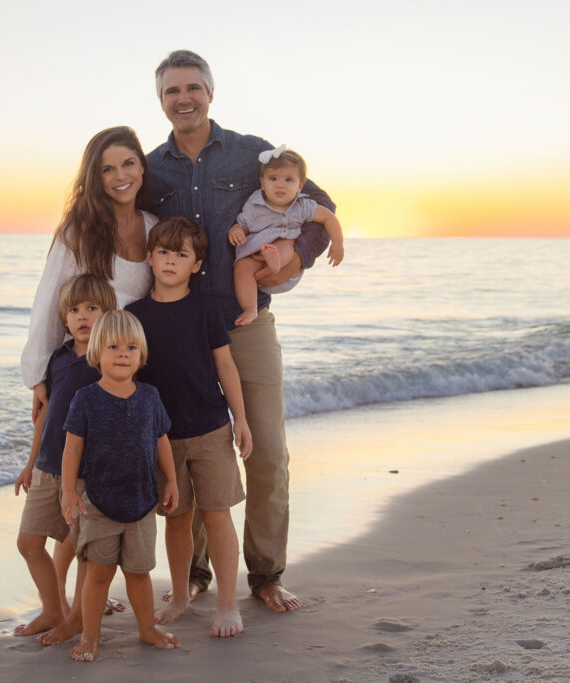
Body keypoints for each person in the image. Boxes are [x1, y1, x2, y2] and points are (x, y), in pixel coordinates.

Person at [145, 49, 344, 613]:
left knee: (267, 453)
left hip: (243, 321)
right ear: (160, 100)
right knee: (189, 448)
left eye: (193, 88)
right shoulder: (150, 167)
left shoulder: (251, 153)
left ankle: (265, 575)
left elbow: (320, 205)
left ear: (210, 92)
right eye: (171, 91)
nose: (183, 98)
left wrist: (295, 251)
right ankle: (196, 575)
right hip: (177, 330)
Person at [125, 217, 252, 638]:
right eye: (163, 251)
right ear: (149, 256)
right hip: (160, 437)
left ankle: (229, 604)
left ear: (196, 265)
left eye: (181, 255)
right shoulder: (134, 315)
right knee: (176, 518)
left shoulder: (206, 308)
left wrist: (241, 420)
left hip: (211, 428)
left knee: (217, 515)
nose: (170, 261)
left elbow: (225, 365)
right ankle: (180, 595)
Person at [60, 310, 181, 662]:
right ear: (97, 352)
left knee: (139, 574)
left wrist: (171, 480)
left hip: (143, 504)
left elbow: (161, 440)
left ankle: (147, 628)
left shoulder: (150, 396)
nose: (123, 353)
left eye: (131, 347)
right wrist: (69, 492)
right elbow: (72, 448)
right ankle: (90, 636)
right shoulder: (86, 398)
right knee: (97, 575)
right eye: (113, 346)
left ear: (141, 355)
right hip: (99, 503)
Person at [22, 126, 158, 421]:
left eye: (128, 164)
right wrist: (37, 374)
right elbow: (50, 298)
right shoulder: (79, 230)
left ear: (142, 167)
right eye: (107, 169)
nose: (120, 176)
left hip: (138, 369)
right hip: (87, 371)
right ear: (95, 179)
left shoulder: (153, 226)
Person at [13, 274, 116, 641]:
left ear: (108, 312)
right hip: (46, 467)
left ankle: (81, 621)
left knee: (86, 549)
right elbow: (45, 414)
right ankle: (53, 609)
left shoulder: (108, 359)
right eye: (74, 310)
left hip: (88, 475)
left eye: (92, 308)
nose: (82, 316)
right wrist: (29, 464)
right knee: (28, 543)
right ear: (64, 318)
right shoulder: (57, 359)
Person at [228, 146, 344, 326]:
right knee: (242, 267)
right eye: (273, 179)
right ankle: (250, 309)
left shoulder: (303, 206)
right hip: (256, 253)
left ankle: (274, 260)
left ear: (299, 185)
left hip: (285, 258)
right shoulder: (255, 204)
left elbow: (328, 217)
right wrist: (236, 231)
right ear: (263, 182)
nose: (280, 184)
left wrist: (337, 243)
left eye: (288, 180)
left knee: (286, 245)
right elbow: (242, 223)